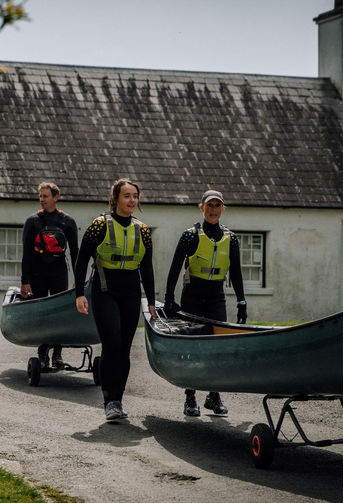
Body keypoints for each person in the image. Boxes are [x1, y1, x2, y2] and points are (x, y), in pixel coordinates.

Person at [75, 178, 157, 420]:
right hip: (104, 291)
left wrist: (151, 302)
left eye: (135, 196)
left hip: (131, 292)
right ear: (115, 199)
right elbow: (81, 261)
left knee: (124, 349)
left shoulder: (142, 230)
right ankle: (109, 400)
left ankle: (118, 401)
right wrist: (79, 293)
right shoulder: (98, 226)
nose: (132, 200)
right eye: (126, 196)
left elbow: (147, 269)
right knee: (112, 344)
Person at [164, 190, 247, 416]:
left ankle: (214, 395)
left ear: (223, 209)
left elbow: (237, 273)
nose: (213, 210)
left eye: (217, 206)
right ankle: (190, 398)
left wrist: (241, 302)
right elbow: (174, 268)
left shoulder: (231, 238)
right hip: (192, 295)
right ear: (201, 208)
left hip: (216, 297)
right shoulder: (190, 235)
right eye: (209, 205)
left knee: (218, 346)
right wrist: (169, 299)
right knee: (192, 346)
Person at [20, 182, 79, 369]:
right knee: (42, 313)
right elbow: (26, 253)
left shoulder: (67, 221)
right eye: (40, 196)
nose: (42, 200)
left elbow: (75, 253)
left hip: (59, 272)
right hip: (38, 272)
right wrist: (25, 281)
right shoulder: (33, 221)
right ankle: (43, 350)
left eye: (45, 196)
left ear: (55, 198)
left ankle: (58, 354)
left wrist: (78, 279)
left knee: (59, 313)